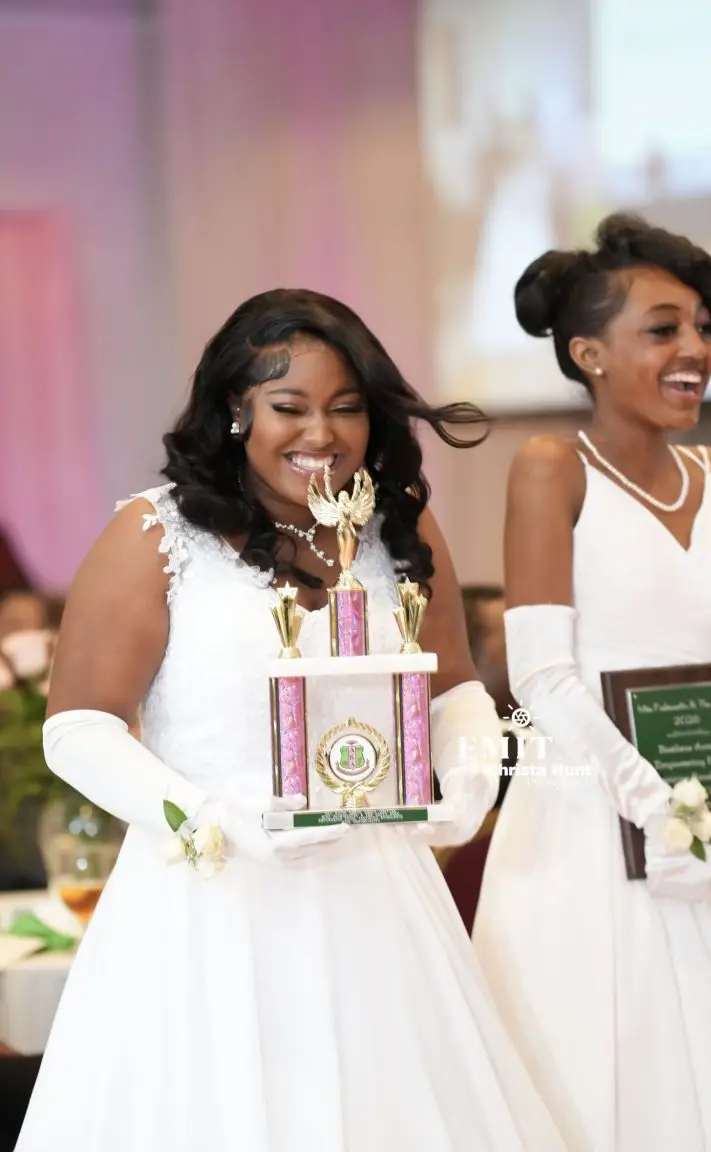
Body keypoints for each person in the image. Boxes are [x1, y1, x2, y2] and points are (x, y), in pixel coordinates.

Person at [16, 290, 566, 1151]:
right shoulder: (155, 534)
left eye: (346, 407)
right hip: (210, 901)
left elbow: (455, 687)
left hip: (377, 902)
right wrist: (210, 820)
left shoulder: (396, 523)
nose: (322, 433)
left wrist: (467, 776)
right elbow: (77, 729)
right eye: (290, 406)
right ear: (237, 409)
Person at [473, 215, 711, 1151]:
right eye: (664, 329)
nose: (698, 351)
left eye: (705, 330)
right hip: (593, 820)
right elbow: (541, 676)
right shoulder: (551, 468)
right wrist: (656, 806)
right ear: (588, 353)